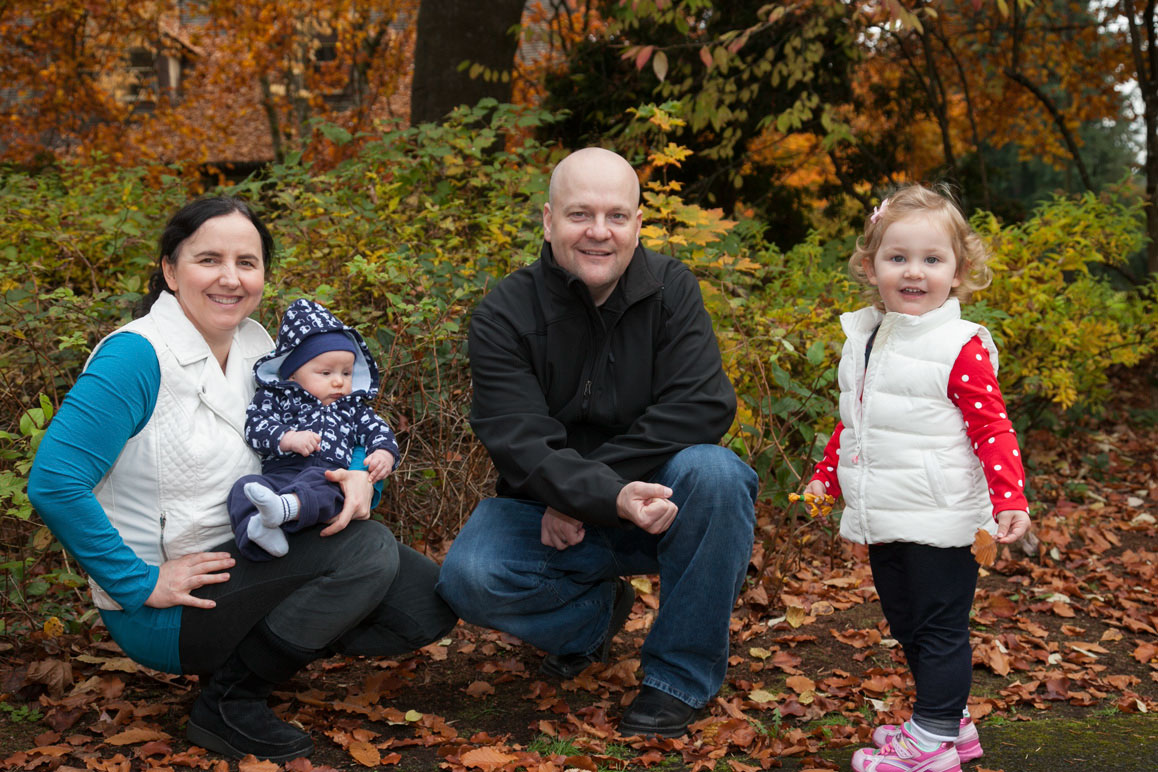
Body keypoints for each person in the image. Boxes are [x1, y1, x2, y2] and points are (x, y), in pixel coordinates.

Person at [27, 197, 457, 762]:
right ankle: (230, 700)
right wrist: (137, 583)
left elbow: (332, 427)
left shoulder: (260, 346)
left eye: (247, 262)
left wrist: (359, 478)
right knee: (368, 551)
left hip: (254, 553)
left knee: (428, 605)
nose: (230, 278)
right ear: (170, 270)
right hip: (172, 601)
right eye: (209, 259)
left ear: (263, 275)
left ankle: (265, 649)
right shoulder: (136, 357)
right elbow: (55, 481)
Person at [436, 147, 758, 738]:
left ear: (638, 223)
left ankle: (677, 679)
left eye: (616, 216)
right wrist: (589, 495)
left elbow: (703, 405)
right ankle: (593, 621)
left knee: (716, 474)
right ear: (549, 220)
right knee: (470, 575)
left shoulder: (671, 290)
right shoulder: (506, 312)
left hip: (658, 507)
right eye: (580, 214)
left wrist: (589, 492)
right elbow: (518, 438)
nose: (598, 232)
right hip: (548, 516)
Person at [802, 184, 1031, 772]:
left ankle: (931, 745)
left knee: (939, 628)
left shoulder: (959, 346)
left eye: (932, 260)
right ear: (871, 265)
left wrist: (1010, 497)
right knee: (906, 620)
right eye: (897, 257)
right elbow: (855, 420)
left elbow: (993, 430)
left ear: (958, 273)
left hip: (943, 515)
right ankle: (951, 722)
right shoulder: (868, 337)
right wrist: (827, 476)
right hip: (887, 513)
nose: (914, 272)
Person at [230, 298, 399, 560]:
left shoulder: (352, 408)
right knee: (245, 487)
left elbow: (378, 430)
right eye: (326, 373)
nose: (338, 383)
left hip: (328, 476)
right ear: (293, 375)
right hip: (281, 474)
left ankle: (285, 509)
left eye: (346, 373)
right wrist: (287, 438)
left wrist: (383, 454)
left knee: (323, 485)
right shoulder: (277, 398)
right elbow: (255, 426)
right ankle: (258, 533)